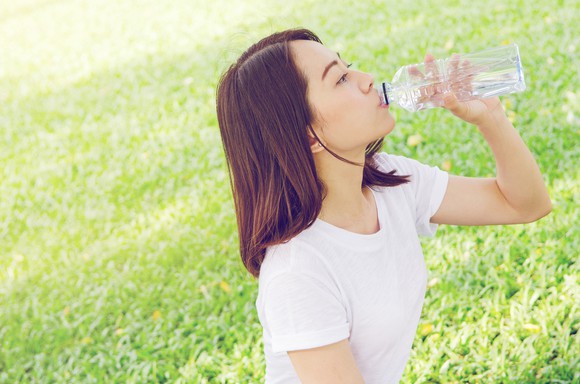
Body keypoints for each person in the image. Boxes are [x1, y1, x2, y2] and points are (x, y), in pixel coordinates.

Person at [215, 28, 551, 383]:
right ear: (306, 135)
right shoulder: (298, 273)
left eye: (350, 66)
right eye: (341, 78)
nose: (367, 79)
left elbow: (524, 205)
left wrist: (490, 117)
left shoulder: (391, 181)